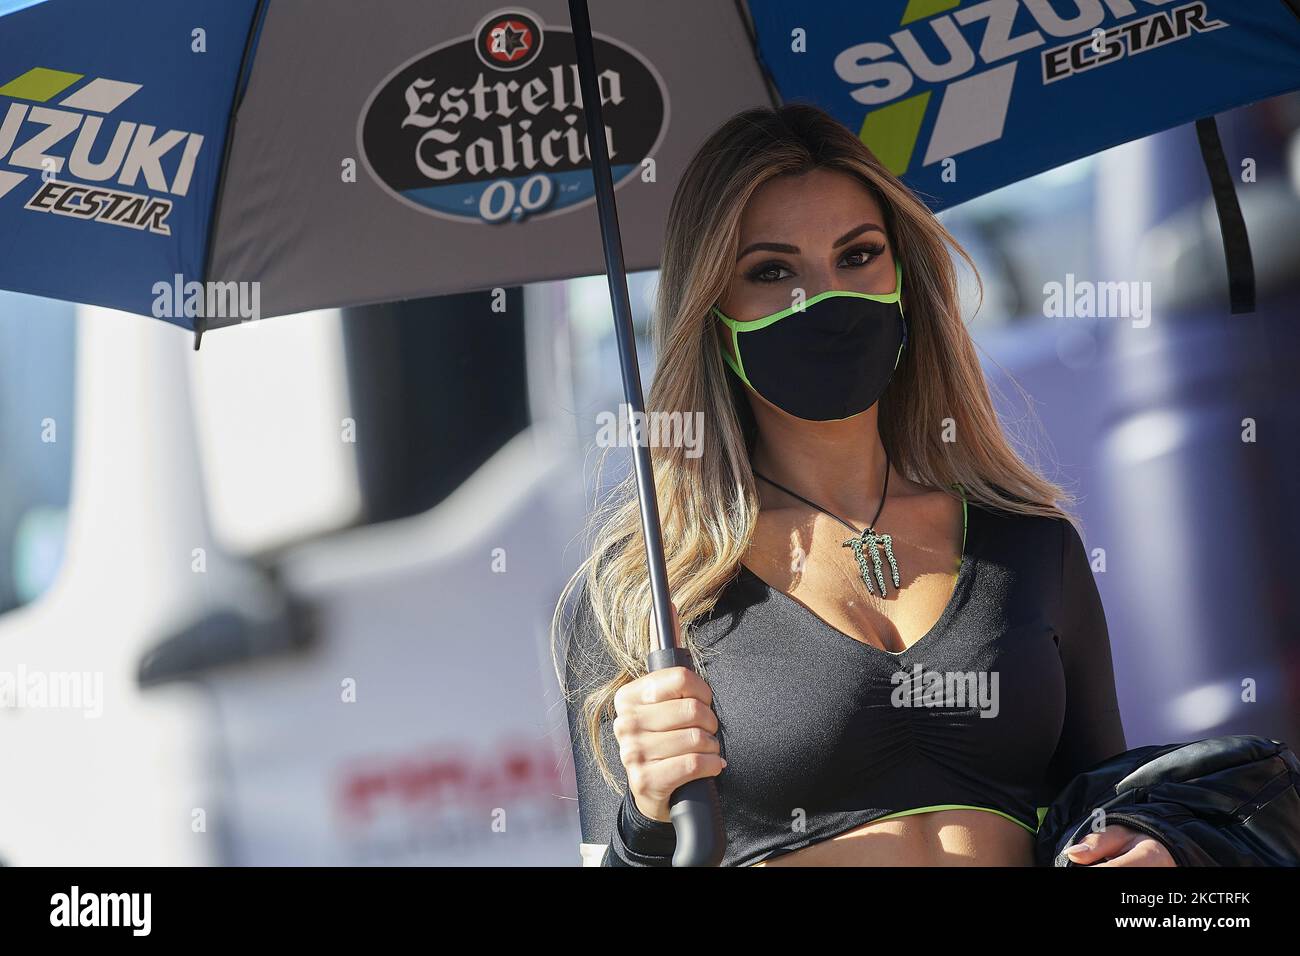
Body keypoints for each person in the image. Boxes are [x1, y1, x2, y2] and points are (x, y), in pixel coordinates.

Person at [551, 103, 1173, 867]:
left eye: (858, 255)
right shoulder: (642, 595)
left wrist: (1150, 853)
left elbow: (1100, 813)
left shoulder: (1034, 546)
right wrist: (644, 822)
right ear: (712, 310)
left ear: (905, 279)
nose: (823, 298)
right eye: (772, 270)